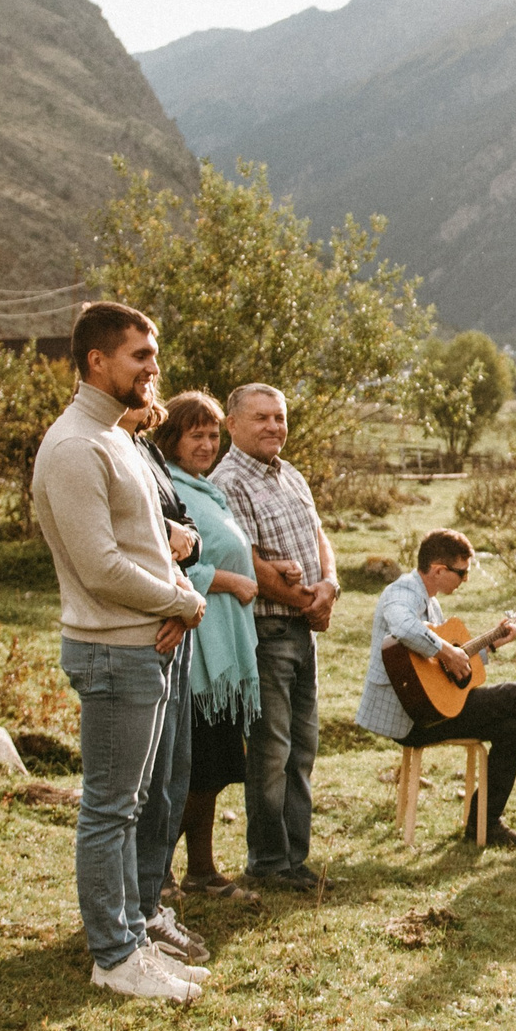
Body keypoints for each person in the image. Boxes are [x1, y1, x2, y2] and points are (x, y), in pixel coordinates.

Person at [30, 301, 209, 1003]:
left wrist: (177, 589)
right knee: (109, 810)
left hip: (140, 646)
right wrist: (181, 604)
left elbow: (148, 543)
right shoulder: (76, 446)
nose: (152, 368)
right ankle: (112, 956)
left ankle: (133, 939)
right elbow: (101, 567)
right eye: (140, 355)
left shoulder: (117, 437)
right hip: (111, 650)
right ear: (96, 360)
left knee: (132, 806)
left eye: (153, 354)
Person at [356, 528, 516, 845]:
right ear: (438, 570)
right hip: (408, 717)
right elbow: (404, 628)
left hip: (429, 708)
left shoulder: (432, 604)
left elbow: (440, 671)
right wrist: (448, 651)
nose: (466, 579)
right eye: (462, 572)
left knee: (513, 729)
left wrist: (492, 643)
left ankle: (484, 823)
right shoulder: (402, 592)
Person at [211, 383, 337, 894]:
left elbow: (319, 537)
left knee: (302, 748)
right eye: (261, 417)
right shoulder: (228, 481)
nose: (273, 426)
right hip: (267, 632)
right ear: (232, 424)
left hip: (303, 630)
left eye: (279, 417)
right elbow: (246, 562)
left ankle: (294, 860)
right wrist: (307, 601)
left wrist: (330, 585)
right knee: (271, 752)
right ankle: (268, 862)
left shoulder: (291, 474)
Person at [150, 390, 263, 902]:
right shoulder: (167, 489)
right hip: (196, 649)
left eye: (214, 435)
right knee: (195, 768)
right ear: (171, 438)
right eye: (195, 434)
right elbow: (169, 564)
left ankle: (201, 869)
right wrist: (231, 581)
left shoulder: (205, 490)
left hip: (224, 644)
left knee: (214, 767)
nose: (207, 444)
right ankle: (155, 873)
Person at [117, 392, 215, 968]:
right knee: (139, 786)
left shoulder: (145, 450)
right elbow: (121, 541)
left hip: (178, 626)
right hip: (142, 629)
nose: (149, 386)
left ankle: (151, 903)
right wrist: (170, 547)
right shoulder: (103, 449)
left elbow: (190, 531)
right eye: (141, 370)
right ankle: (130, 917)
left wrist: (184, 538)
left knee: (172, 779)